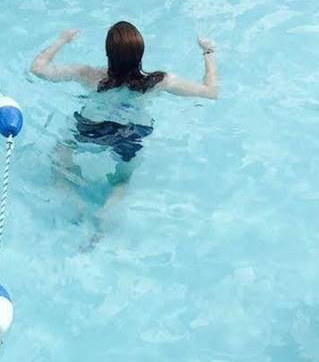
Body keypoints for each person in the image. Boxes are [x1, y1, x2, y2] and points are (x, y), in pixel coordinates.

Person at [30, 21, 218, 231]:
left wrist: (62, 39)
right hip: (130, 133)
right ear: (141, 53)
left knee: (60, 158)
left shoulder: (88, 74)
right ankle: (105, 214)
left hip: (92, 128)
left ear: (108, 54)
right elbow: (211, 92)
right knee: (122, 179)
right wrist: (208, 51)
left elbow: (38, 69)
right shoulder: (159, 81)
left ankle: (79, 207)